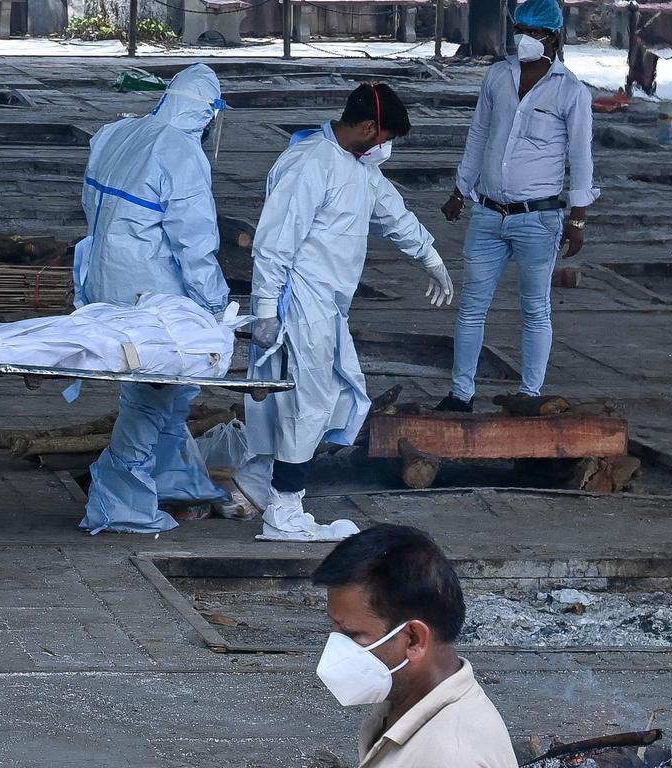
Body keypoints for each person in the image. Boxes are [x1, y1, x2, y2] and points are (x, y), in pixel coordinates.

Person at [240, 83, 454, 542]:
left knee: (318, 398)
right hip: (300, 298)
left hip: (329, 303)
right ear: (369, 128)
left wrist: (431, 258)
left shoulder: (358, 167)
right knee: (307, 402)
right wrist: (264, 309)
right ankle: (284, 509)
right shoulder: (310, 161)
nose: (385, 148)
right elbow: (275, 241)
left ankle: (268, 485)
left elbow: (393, 214)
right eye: (384, 137)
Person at [74, 63, 232, 535]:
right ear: (207, 114)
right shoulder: (181, 152)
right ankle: (117, 500)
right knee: (151, 396)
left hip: (104, 281)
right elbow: (194, 242)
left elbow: (91, 209)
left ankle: (174, 481)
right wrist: (216, 307)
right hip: (151, 295)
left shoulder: (118, 131)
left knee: (174, 392)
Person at [437, 0, 599, 413]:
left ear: (553, 38)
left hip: (540, 218)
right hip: (488, 213)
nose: (522, 37)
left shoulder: (571, 91)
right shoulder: (498, 76)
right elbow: (478, 135)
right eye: (519, 27)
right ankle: (461, 395)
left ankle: (530, 395)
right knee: (472, 308)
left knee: (535, 309)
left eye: (532, 30)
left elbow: (581, 159)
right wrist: (461, 189)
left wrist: (578, 218)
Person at [313, 524, 518, 767]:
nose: (336, 646)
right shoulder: (402, 707)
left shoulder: (451, 757)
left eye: (351, 633)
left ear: (414, 639)